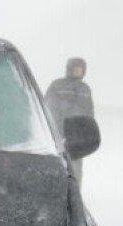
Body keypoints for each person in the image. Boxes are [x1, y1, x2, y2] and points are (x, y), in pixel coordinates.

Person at [45, 57, 94, 186]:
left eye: (80, 70)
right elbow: (47, 106)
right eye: (75, 69)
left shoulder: (85, 89)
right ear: (69, 69)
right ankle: (54, 188)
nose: (78, 72)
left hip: (77, 134)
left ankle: (75, 192)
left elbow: (89, 111)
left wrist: (89, 130)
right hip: (57, 131)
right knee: (56, 162)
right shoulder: (57, 85)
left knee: (76, 165)